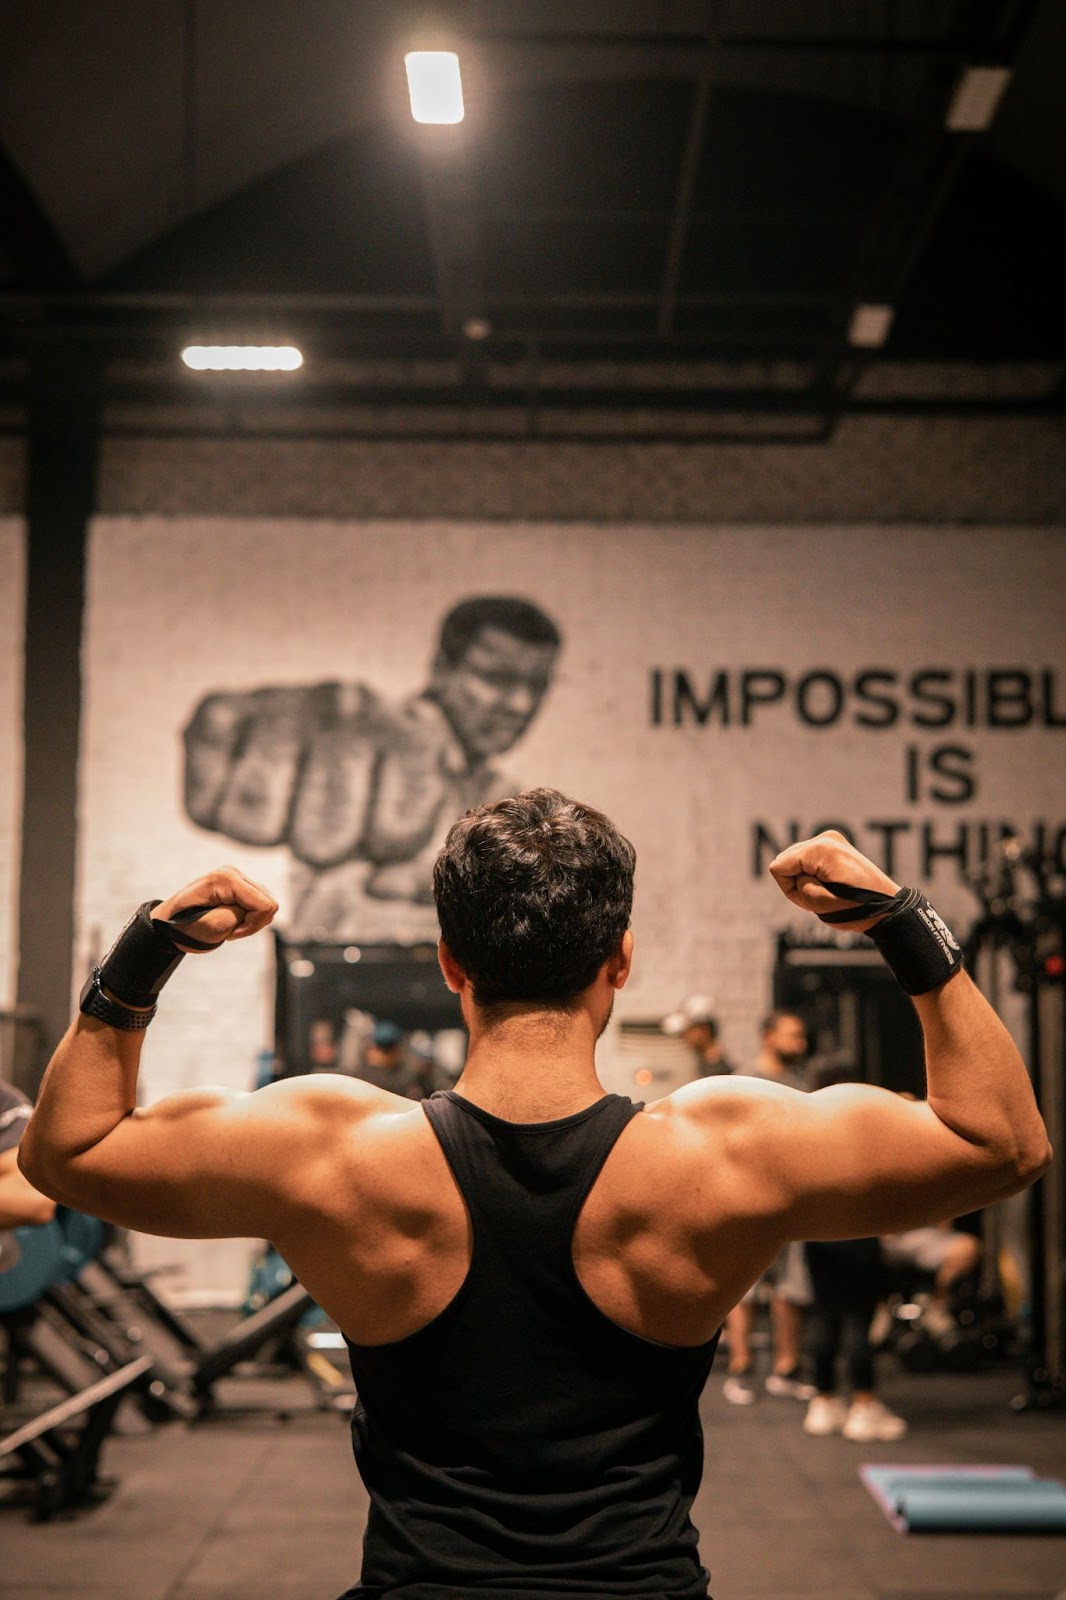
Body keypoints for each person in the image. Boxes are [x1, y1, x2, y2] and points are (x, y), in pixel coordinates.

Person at [19, 796, 1050, 1600]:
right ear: (620, 962)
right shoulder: (720, 1152)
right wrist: (899, 920)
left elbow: (71, 1152)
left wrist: (148, 949)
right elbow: (1001, 1139)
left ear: (451, 966)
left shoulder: (337, 1150)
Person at [182, 595, 562, 940]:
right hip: (342, 988)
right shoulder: (372, 748)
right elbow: (352, 732)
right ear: (442, 668)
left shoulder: (501, 792)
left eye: (538, 685)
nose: (520, 704)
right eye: (497, 678)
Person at [801, 1062, 906, 1442]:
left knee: (823, 1317)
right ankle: (863, 1407)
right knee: (857, 1321)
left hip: (815, 1236)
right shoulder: (864, 1128)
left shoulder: (805, 1128)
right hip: (857, 1235)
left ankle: (824, 1403)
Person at [720, 1010, 815, 1406]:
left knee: (791, 1288)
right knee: (745, 1289)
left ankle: (786, 1368)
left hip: (794, 1200)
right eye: (792, 1035)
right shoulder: (744, 1082)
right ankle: (741, 1369)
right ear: (767, 1037)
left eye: (802, 1036)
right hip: (749, 1199)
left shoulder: (803, 1084)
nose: (800, 1043)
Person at [660, 996, 735, 1077]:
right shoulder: (703, 1062)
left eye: (688, 1031)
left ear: (704, 1029)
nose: (684, 1037)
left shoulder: (717, 1069)